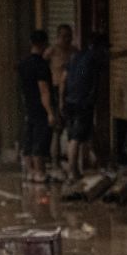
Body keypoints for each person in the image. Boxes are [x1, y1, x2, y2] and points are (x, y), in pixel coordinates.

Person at [62, 32, 108, 181]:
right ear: (98, 47)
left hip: (70, 101)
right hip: (82, 102)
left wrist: (63, 100)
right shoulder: (95, 57)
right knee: (76, 138)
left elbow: (63, 79)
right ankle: (72, 173)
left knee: (82, 134)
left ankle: (102, 163)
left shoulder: (76, 56)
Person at [17, 29, 57, 183]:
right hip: (40, 107)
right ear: (44, 44)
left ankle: (30, 172)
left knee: (29, 139)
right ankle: (40, 173)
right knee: (40, 140)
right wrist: (50, 112)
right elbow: (44, 91)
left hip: (28, 106)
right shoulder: (41, 66)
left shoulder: (23, 64)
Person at [45, 24, 77, 164]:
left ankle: (73, 162)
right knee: (57, 129)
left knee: (72, 128)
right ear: (58, 37)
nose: (67, 39)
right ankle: (55, 161)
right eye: (64, 36)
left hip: (72, 91)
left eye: (69, 36)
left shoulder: (74, 51)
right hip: (56, 90)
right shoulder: (52, 51)